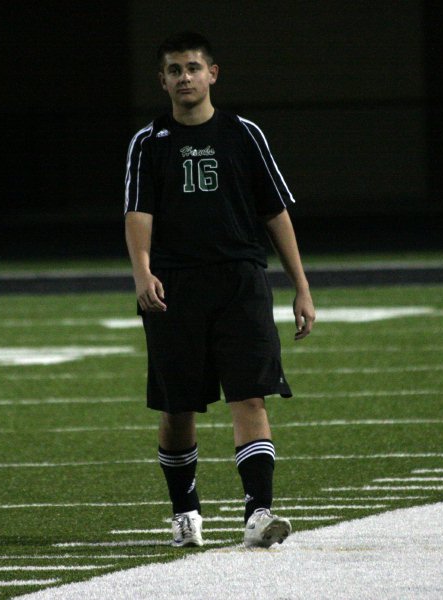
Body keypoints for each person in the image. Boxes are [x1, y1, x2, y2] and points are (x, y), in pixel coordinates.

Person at [124, 31, 315, 549]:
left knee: (251, 395)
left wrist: (301, 286)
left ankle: (258, 513)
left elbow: (275, 211)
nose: (185, 77)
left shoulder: (243, 133)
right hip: (175, 287)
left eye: (193, 67)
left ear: (213, 73)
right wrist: (142, 271)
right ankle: (185, 512)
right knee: (177, 406)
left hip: (241, 281)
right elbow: (138, 213)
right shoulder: (148, 141)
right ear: (161, 81)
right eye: (174, 70)